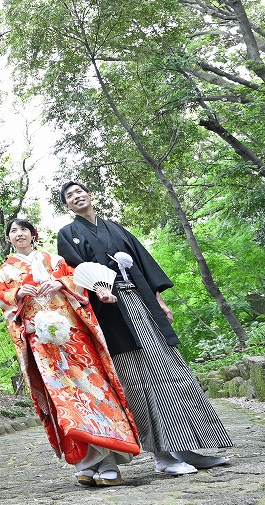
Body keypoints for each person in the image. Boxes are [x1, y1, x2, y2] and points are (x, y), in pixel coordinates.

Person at [56, 181, 232, 477]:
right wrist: (97, 290)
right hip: (111, 313)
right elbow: (74, 274)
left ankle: (188, 449)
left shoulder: (117, 229)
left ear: (90, 195)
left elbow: (142, 264)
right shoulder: (67, 234)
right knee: (138, 379)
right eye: (70, 196)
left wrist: (160, 301)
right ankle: (163, 455)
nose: (76, 197)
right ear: (67, 206)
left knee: (173, 372)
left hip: (142, 302)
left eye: (79, 192)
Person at [0, 218, 141, 487]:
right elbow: (3, 299)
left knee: (93, 391)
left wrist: (61, 284)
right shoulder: (6, 270)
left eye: (24, 229)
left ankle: (109, 461)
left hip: (73, 336)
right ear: (8, 239)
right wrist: (18, 293)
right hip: (41, 342)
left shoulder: (55, 260)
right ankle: (86, 463)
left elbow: (78, 282)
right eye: (13, 231)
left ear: (34, 234)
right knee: (64, 401)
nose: (19, 234)